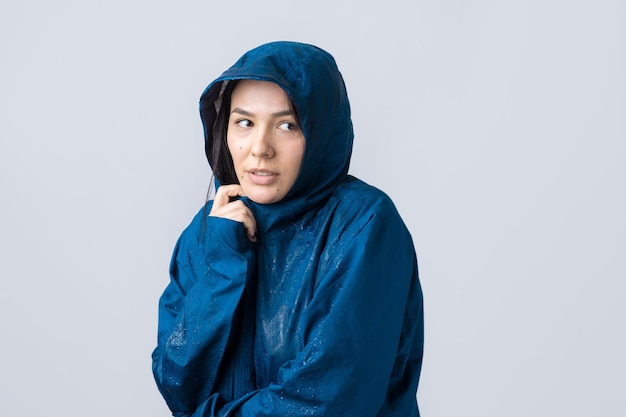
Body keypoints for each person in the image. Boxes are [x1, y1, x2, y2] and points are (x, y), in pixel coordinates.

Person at [152, 41, 424, 417]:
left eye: (286, 125)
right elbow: (178, 383)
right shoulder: (208, 233)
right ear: (223, 130)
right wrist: (222, 268)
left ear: (320, 132)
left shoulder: (365, 226)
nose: (260, 148)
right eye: (244, 122)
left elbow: (327, 400)